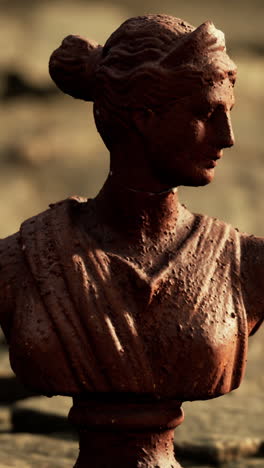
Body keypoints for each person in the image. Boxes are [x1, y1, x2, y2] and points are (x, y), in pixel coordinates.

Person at [0, 15, 263, 400]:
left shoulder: (247, 265)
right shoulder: (20, 263)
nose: (228, 138)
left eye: (229, 113)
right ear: (144, 117)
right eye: (207, 113)